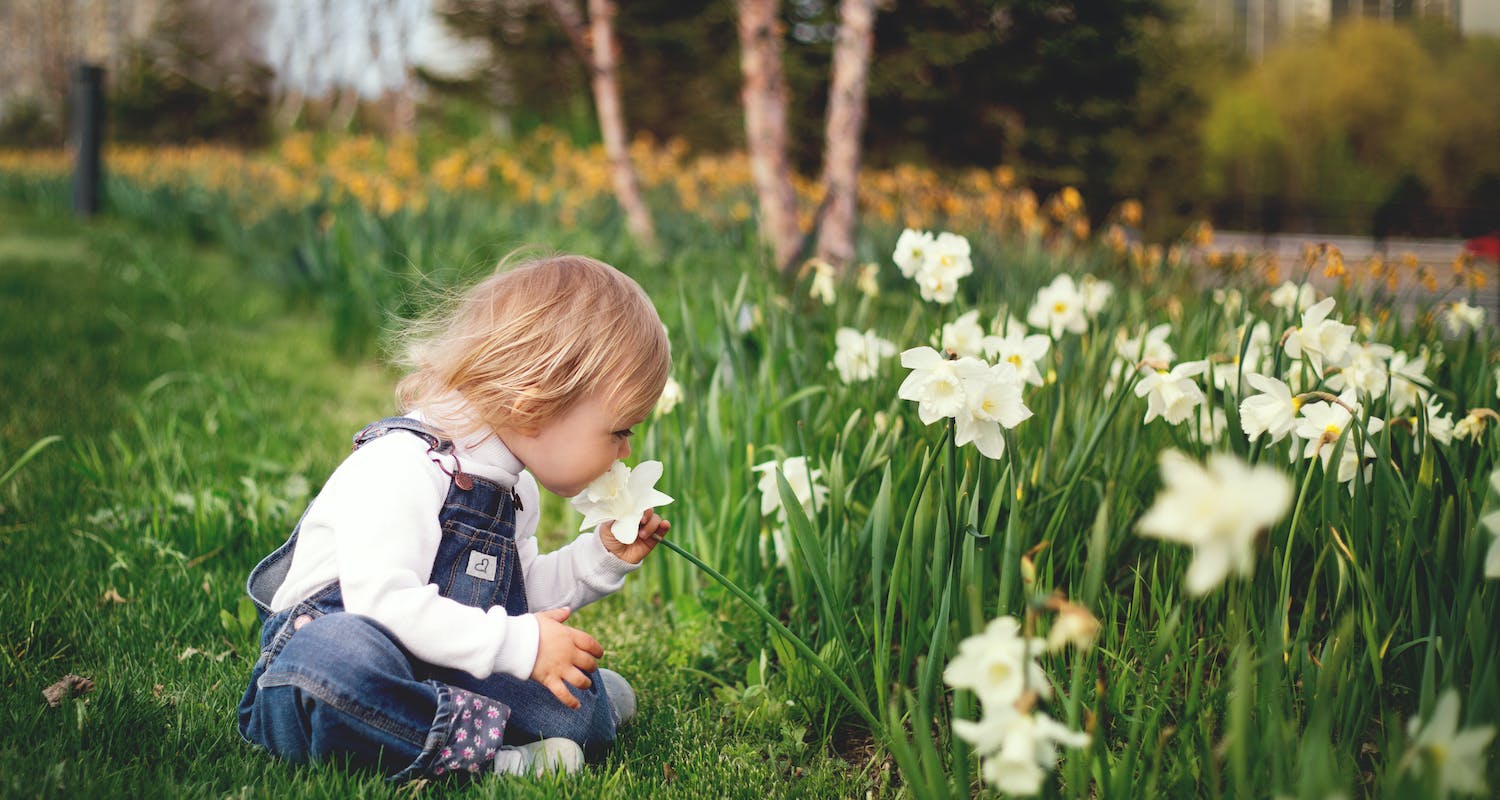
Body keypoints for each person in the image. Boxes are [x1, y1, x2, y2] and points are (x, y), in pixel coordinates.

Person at [236, 254, 672, 781]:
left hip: (438, 660)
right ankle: (492, 760)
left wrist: (599, 558)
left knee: (578, 706)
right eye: (620, 430)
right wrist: (520, 645)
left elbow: (516, 595)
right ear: (537, 402)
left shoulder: (515, 489)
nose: (625, 452)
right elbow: (384, 605)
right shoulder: (404, 465)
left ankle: (543, 713)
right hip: (339, 659)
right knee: (335, 664)